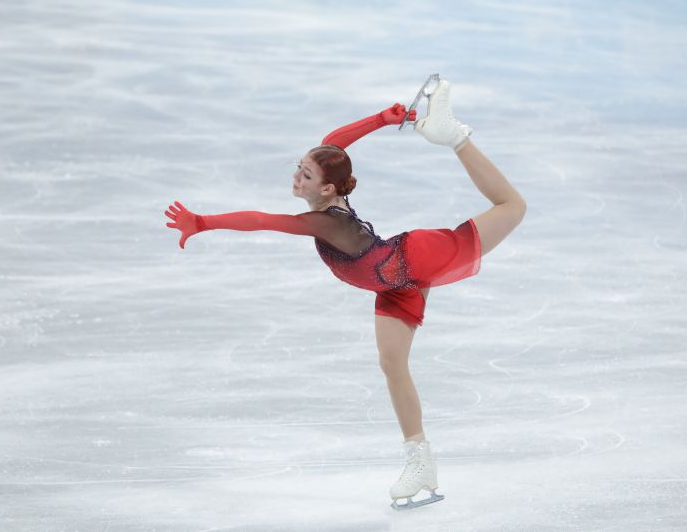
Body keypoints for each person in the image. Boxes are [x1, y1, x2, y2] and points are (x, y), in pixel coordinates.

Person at [165, 79, 526, 509]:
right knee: (393, 365)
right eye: (298, 168)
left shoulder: (325, 222)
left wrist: (203, 222)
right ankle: (420, 460)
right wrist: (379, 119)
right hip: (393, 283)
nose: (296, 177)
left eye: (306, 174)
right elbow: (332, 143)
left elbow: (263, 220)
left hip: (417, 258)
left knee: (512, 207)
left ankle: (454, 136)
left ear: (328, 189)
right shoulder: (325, 199)